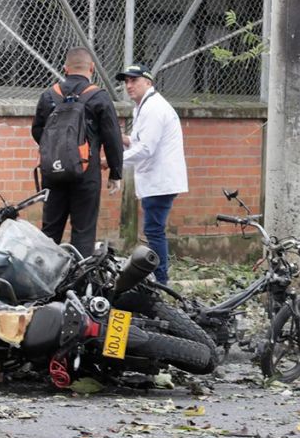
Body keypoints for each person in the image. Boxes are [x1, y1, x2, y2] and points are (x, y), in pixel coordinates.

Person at [31, 47, 123, 257]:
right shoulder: (98, 96)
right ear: (92, 68)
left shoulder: (49, 96)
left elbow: (37, 131)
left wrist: (56, 152)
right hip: (86, 172)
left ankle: (44, 279)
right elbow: (113, 137)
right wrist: (115, 173)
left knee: (50, 229)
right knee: (83, 230)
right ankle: (79, 284)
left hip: (53, 171)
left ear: (65, 69)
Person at [115, 63, 188, 285]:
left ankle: (161, 281)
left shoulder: (154, 108)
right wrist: (119, 138)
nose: (129, 85)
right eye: (126, 81)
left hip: (160, 181)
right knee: (153, 230)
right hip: (155, 180)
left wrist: (113, 161)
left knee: (154, 231)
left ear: (148, 82)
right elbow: (139, 141)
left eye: (134, 80)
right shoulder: (143, 107)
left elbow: (146, 149)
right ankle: (157, 278)